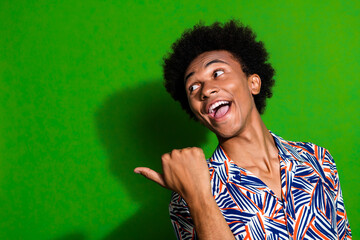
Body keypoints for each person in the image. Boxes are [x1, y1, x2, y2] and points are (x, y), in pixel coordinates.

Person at [134, 20, 352, 240]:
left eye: (217, 73)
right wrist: (199, 198)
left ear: (253, 83)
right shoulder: (187, 195)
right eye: (194, 87)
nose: (207, 90)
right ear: (196, 114)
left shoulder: (318, 159)